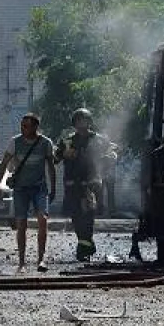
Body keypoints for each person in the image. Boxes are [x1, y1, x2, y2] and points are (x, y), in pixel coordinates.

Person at [54, 107, 118, 262]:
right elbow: (55, 158)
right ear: (74, 123)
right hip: (73, 185)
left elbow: (114, 152)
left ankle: (84, 247)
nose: (81, 123)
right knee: (76, 217)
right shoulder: (68, 141)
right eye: (78, 121)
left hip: (92, 184)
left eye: (84, 120)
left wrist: (106, 158)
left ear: (89, 122)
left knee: (89, 216)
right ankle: (86, 244)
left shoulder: (100, 140)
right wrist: (63, 154)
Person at [0, 113, 57, 273]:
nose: (23, 129)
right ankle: (22, 263)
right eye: (22, 126)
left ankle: (41, 259)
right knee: (21, 224)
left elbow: (51, 167)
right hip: (21, 189)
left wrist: (53, 188)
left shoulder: (45, 143)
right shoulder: (15, 143)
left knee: (43, 220)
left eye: (26, 126)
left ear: (35, 127)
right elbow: (3, 164)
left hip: (39, 188)